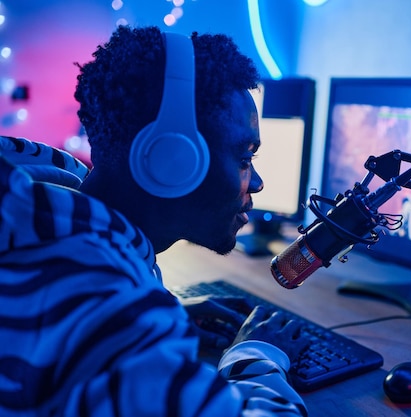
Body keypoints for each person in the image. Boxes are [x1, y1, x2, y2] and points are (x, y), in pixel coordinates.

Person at [0, 25, 308, 416]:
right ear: (173, 160)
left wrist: (166, 313)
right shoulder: (105, 303)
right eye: (245, 159)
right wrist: (258, 354)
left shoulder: (50, 220)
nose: (258, 183)